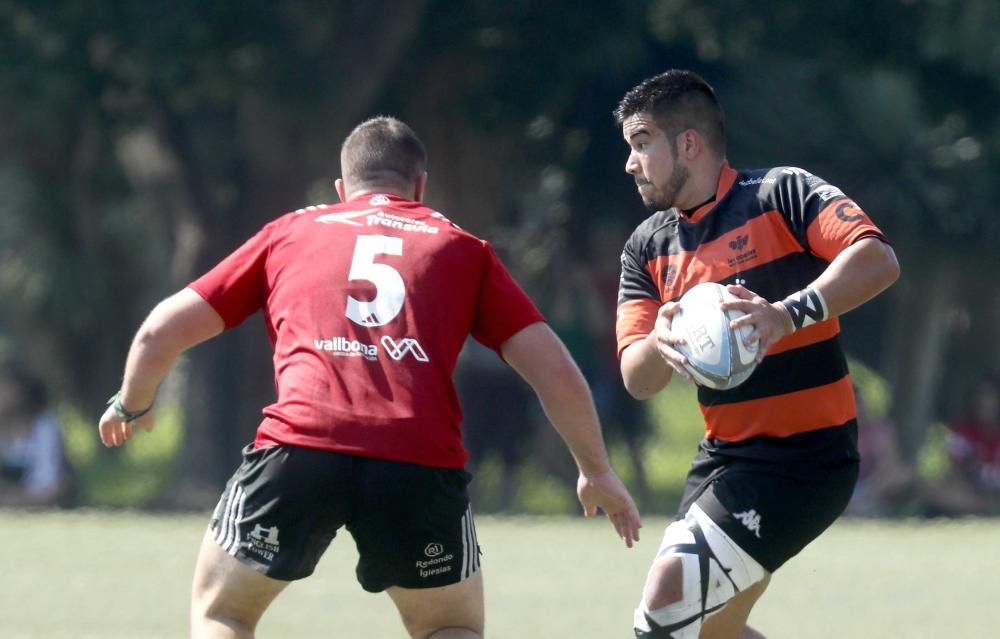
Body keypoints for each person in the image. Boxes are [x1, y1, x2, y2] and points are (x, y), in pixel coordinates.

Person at [98, 116, 640, 639]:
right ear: (419, 186)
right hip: (417, 459)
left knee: (224, 612)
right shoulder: (461, 248)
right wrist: (596, 470)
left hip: (301, 446)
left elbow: (159, 332)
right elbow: (555, 371)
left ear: (341, 188)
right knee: (449, 626)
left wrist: (132, 403)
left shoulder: (290, 232)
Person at [612, 70, 899, 638]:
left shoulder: (781, 194)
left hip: (807, 461)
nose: (630, 162)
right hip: (726, 462)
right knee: (710, 632)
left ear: (688, 143)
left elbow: (877, 259)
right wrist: (658, 343)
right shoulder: (647, 247)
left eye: (642, 144)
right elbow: (636, 379)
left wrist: (785, 315)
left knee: (662, 612)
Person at [0, 363, 75, 508]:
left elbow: (49, 483)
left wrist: (15, 499)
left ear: (19, 393)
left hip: (41, 504)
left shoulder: (45, 427)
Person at [924, 374, 1000, 516]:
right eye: (980, 397)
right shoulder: (963, 431)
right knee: (934, 487)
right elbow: (954, 470)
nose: (984, 402)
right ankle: (982, 509)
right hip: (972, 494)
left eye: (991, 398)